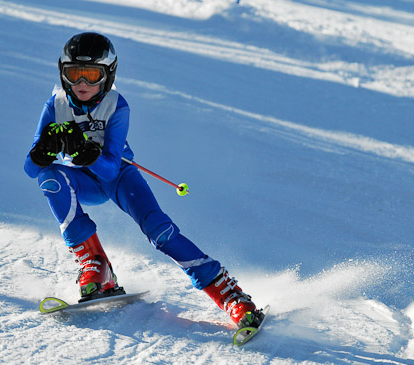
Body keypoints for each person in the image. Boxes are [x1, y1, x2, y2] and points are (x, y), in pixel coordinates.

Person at [24, 32, 263, 327]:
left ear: (108, 75)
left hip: (118, 177)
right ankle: (96, 264)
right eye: (74, 74)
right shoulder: (55, 106)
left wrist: (87, 152)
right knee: (50, 178)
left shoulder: (116, 105)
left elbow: (111, 169)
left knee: (159, 231)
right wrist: (42, 151)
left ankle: (230, 295)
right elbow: (31, 170)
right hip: (81, 181)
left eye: (91, 75)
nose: (82, 84)